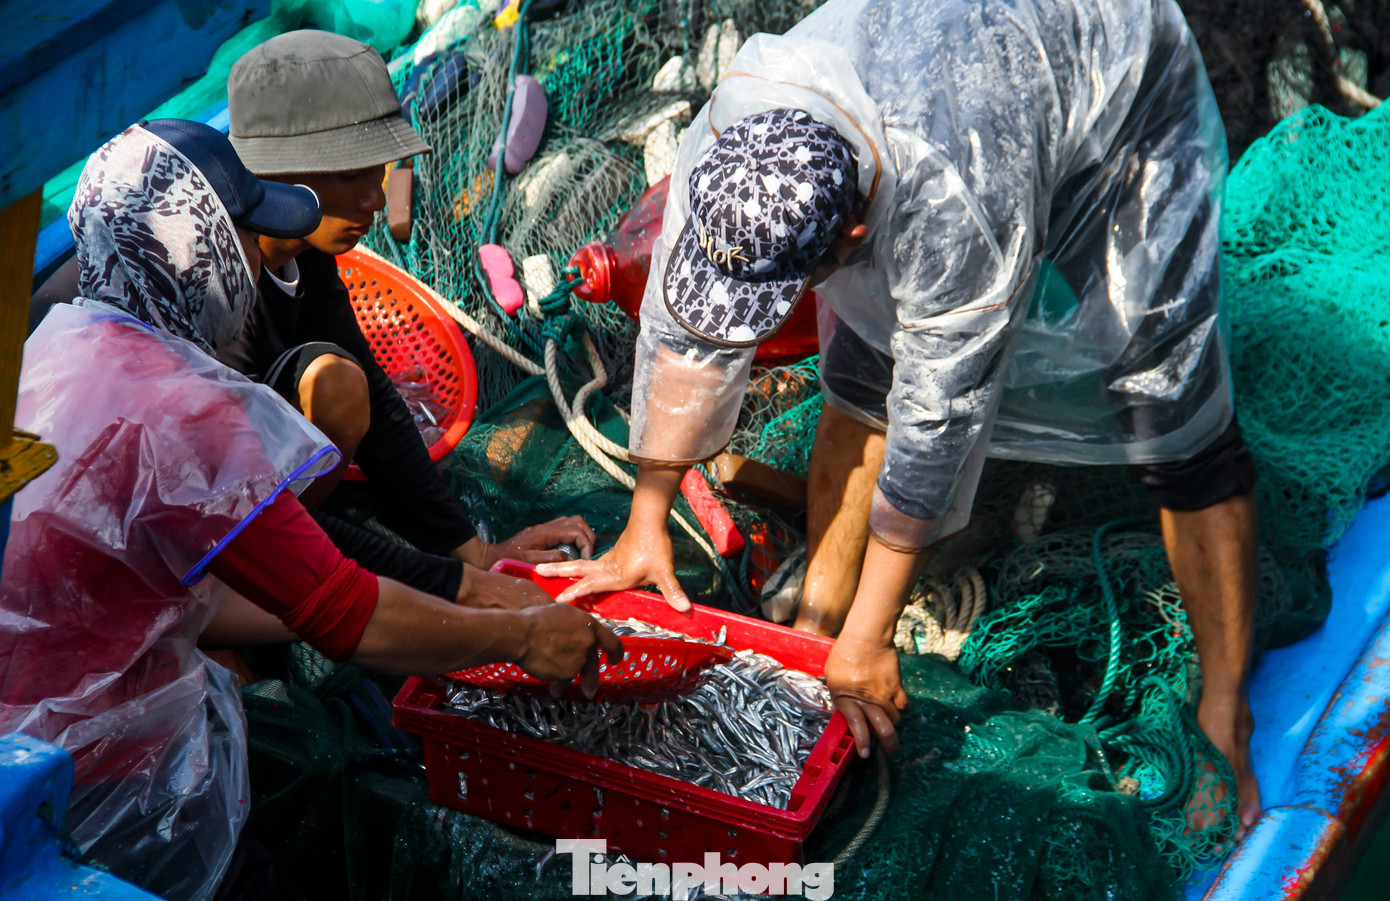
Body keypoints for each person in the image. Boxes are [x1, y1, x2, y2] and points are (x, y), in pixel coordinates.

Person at [541, 0, 1262, 833]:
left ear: (855, 225)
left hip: (1112, 82)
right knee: (860, 366)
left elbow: (934, 428)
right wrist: (647, 517)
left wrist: (874, 633)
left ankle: (1224, 716)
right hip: (926, 73)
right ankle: (815, 637)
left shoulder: (954, 207)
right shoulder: (736, 136)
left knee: (1169, 407)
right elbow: (681, 329)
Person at [0, 120, 621, 901]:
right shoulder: (179, 409)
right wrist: (523, 635)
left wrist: (430, 590)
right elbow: (344, 614)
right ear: (197, 251)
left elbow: (209, 594)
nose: (259, 265)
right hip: (102, 789)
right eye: (247, 237)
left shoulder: (55, 342)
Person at [31, 30, 593, 612]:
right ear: (278, 173)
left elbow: (367, 393)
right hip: (141, 522)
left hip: (225, 489)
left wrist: (466, 552)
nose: (376, 199)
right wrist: (454, 587)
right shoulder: (196, 288)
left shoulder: (305, 248)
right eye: (353, 177)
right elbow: (245, 502)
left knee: (344, 380)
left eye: (380, 174)